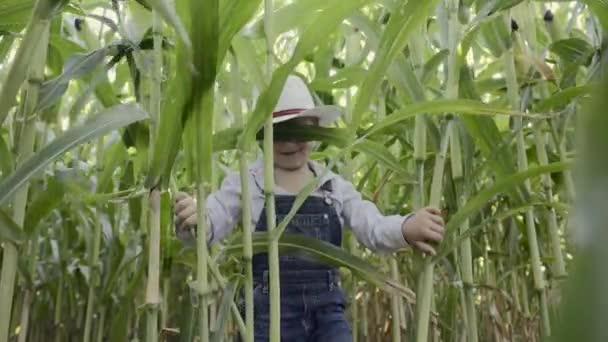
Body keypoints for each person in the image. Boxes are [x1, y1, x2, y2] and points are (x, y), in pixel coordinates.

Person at [173, 75, 445, 341]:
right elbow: (210, 224)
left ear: (316, 129)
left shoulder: (333, 186)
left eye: (300, 131)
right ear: (259, 134)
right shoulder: (246, 182)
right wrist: (194, 220)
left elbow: (372, 227)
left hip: (327, 312)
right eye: (279, 132)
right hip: (268, 314)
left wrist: (406, 228)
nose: (290, 142)